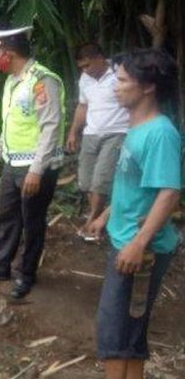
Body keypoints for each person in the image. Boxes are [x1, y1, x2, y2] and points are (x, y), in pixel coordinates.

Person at [87, 48, 180, 379]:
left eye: (123, 80)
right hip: (128, 240)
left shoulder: (159, 133)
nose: (116, 87)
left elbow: (168, 193)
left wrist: (139, 244)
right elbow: (137, 184)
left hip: (141, 251)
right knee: (130, 332)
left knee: (113, 333)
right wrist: (107, 215)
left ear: (148, 87)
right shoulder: (137, 127)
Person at [0, 25, 66, 299]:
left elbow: (51, 126)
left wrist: (36, 170)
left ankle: (26, 275)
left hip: (36, 168)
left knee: (32, 222)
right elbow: (10, 124)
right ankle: (0, 267)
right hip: (12, 164)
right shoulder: (12, 81)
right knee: (7, 218)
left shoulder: (42, 80)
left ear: (11, 51)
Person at [66, 44, 129, 237]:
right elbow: (82, 106)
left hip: (117, 131)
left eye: (87, 65)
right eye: (81, 67)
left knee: (101, 180)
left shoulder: (121, 71)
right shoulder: (85, 79)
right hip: (91, 133)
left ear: (100, 58)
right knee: (85, 180)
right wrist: (73, 132)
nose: (85, 70)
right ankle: (101, 218)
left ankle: (92, 220)